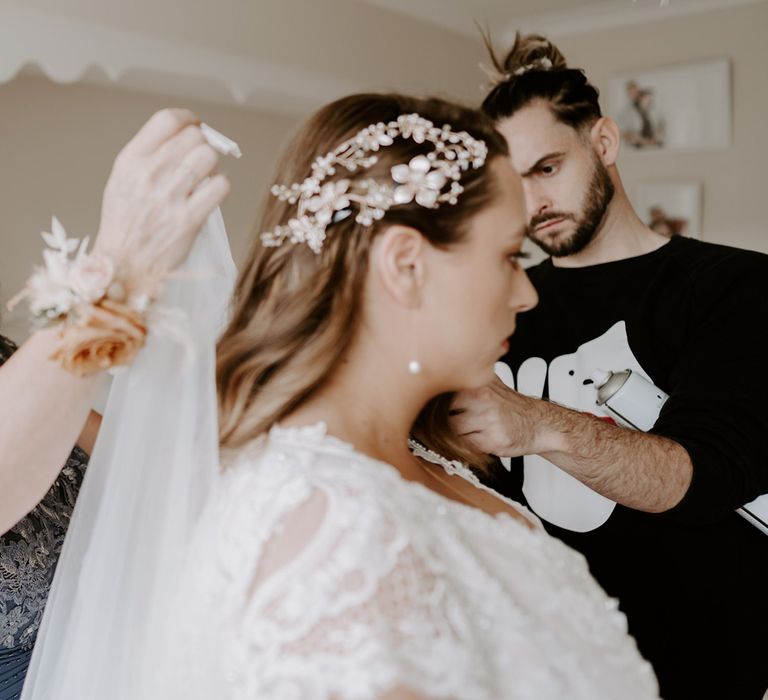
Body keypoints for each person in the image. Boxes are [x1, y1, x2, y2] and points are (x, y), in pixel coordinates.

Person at [22, 94, 660, 700]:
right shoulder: (327, 530)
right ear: (406, 265)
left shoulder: (417, 467)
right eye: (506, 257)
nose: (527, 294)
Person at [450, 31, 768, 699]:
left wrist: (537, 425)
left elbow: (698, 479)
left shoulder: (734, 288)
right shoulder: (501, 302)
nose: (534, 204)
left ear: (604, 143)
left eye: (547, 168)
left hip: (696, 673)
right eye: (514, 183)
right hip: (536, 670)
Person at [0, 108, 230, 699]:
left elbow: (89, 433)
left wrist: (202, 469)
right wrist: (120, 268)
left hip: (102, 601)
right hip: (18, 662)